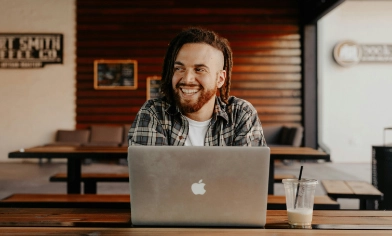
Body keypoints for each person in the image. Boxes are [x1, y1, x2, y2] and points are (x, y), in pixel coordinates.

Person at [129, 27, 266, 146]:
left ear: (220, 79)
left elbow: (248, 175)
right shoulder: (153, 113)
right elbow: (151, 175)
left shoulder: (241, 114)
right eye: (179, 68)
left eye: (200, 69)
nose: (187, 79)